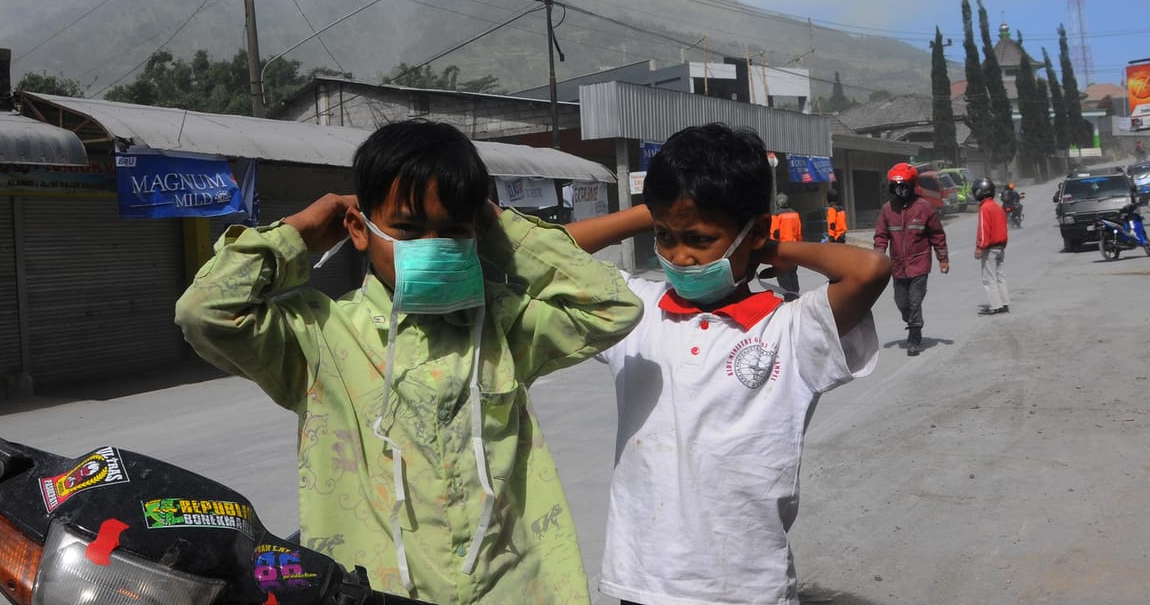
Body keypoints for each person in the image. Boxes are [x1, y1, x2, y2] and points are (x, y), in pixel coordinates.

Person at [174, 120, 644, 604]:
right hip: (378, 592)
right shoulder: (318, 338)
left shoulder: (503, 325)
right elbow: (203, 312)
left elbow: (613, 307)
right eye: (408, 229)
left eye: (453, 231)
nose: (433, 247)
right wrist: (300, 233)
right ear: (360, 229)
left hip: (512, 589)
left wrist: (500, 229)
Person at [566, 122, 891, 605]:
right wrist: (648, 212)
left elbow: (870, 270)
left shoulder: (788, 329)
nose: (679, 256)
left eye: (698, 238)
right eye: (664, 236)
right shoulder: (636, 311)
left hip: (746, 586)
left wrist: (771, 247)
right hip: (642, 580)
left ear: (753, 231)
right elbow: (550, 254)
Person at [874, 162, 950, 356]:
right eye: (896, 186)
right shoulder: (887, 210)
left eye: (904, 185)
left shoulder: (924, 208)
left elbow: (937, 235)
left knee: (915, 301)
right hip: (898, 266)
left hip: (919, 264)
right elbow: (881, 236)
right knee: (902, 302)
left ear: (912, 185)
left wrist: (943, 259)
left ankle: (914, 337)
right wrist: (877, 257)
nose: (900, 190)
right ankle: (912, 322)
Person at [972, 177, 1010, 315]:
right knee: (1000, 277)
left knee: (989, 279)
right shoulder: (997, 207)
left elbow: (983, 229)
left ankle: (995, 306)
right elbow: (1004, 228)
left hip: (990, 249)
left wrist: (979, 247)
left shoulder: (984, 208)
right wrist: (1003, 244)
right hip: (1000, 247)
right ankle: (1004, 303)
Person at [770, 192, 802, 300]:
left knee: (783, 273)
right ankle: (795, 294)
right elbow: (798, 234)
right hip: (794, 248)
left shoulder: (776, 215)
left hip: (782, 249)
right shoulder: (795, 214)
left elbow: (774, 234)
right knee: (793, 272)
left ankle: (789, 297)